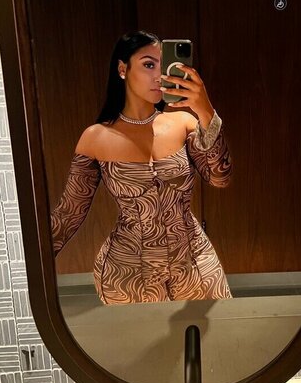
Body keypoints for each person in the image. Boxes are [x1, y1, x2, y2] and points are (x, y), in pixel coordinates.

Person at [51, 31, 232, 304]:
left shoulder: (183, 123)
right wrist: (31, 266)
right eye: (148, 64)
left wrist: (206, 111)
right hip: (127, 272)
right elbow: (69, 214)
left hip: (195, 263)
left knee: (220, 328)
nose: (158, 75)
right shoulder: (96, 138)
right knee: (141, 334)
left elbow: (220, 177)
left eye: (162, 65)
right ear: (122, 69)